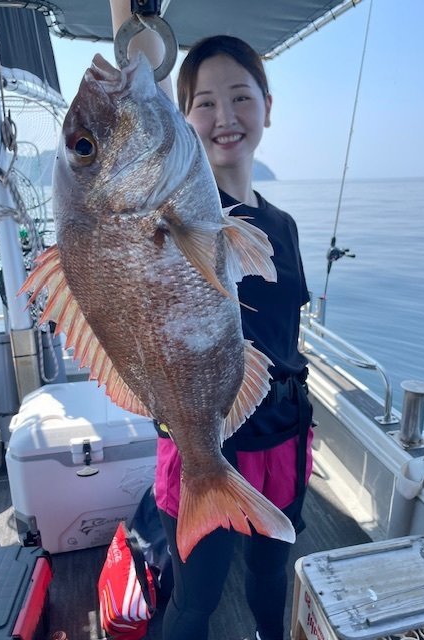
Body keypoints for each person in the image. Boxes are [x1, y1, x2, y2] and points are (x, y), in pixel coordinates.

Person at [110, 5, 314, 639]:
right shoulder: (178, 212)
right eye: (204, 104)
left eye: (241, 97)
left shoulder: (282, 225)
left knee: (270, 574)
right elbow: (141, 80)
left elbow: (285, 332)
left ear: (268, 108)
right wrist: (132, 18)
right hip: (205, 437)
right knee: (194, 594)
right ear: (182, 118)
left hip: (282, 431)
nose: (225, 117)